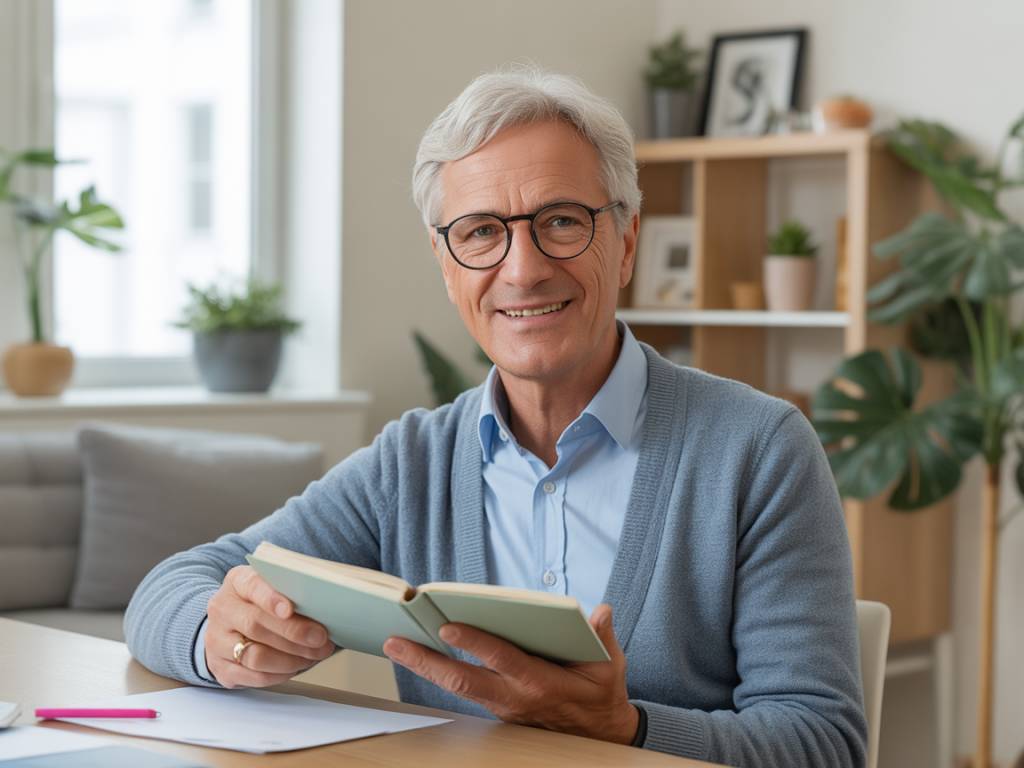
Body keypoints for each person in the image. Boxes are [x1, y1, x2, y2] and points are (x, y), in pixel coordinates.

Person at [125, 67, 867, 767]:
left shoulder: (758, 451)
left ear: (627, 241)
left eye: (562, 221)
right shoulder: (411, 464)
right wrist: (221, 637)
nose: (523, 268)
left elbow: (824, 744)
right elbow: (173, 586)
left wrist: (626, 730)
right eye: (481, 232)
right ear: (447, 266)